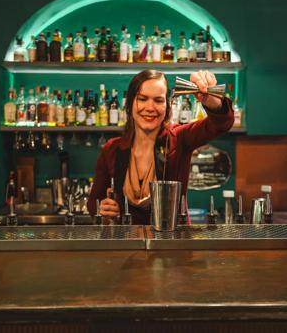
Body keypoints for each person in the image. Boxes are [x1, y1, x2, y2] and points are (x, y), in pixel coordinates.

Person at [88, 70, 234, 224]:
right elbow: (93, 203)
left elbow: (221, 124)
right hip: (127, 242)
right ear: (130, 104)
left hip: (172, 242)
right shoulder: (112, 149)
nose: (150, 107)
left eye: (158, 100)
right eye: (142, 99)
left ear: (167, 106)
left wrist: (212, 101)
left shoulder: (179, 138)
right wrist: (102, 209)